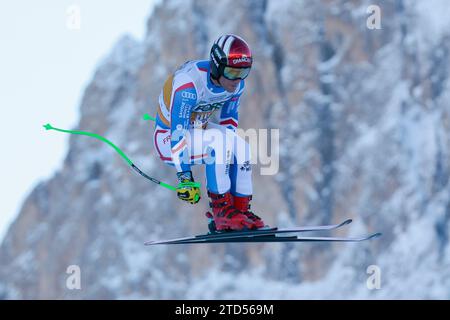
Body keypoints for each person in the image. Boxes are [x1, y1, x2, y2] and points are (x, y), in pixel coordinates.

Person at [153, 34, 266, 231]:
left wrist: (232, 153)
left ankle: (240, 210)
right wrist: (185, 178)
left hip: (199, 130)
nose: (237, 80)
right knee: (218, 143)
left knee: (242, 145)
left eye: (244, 72)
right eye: (231, 72)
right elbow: (178, 132)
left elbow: (229, 120)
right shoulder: (188, 84)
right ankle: (221, 212)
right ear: (216, 65)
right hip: (168, 138)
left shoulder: (236, 85)